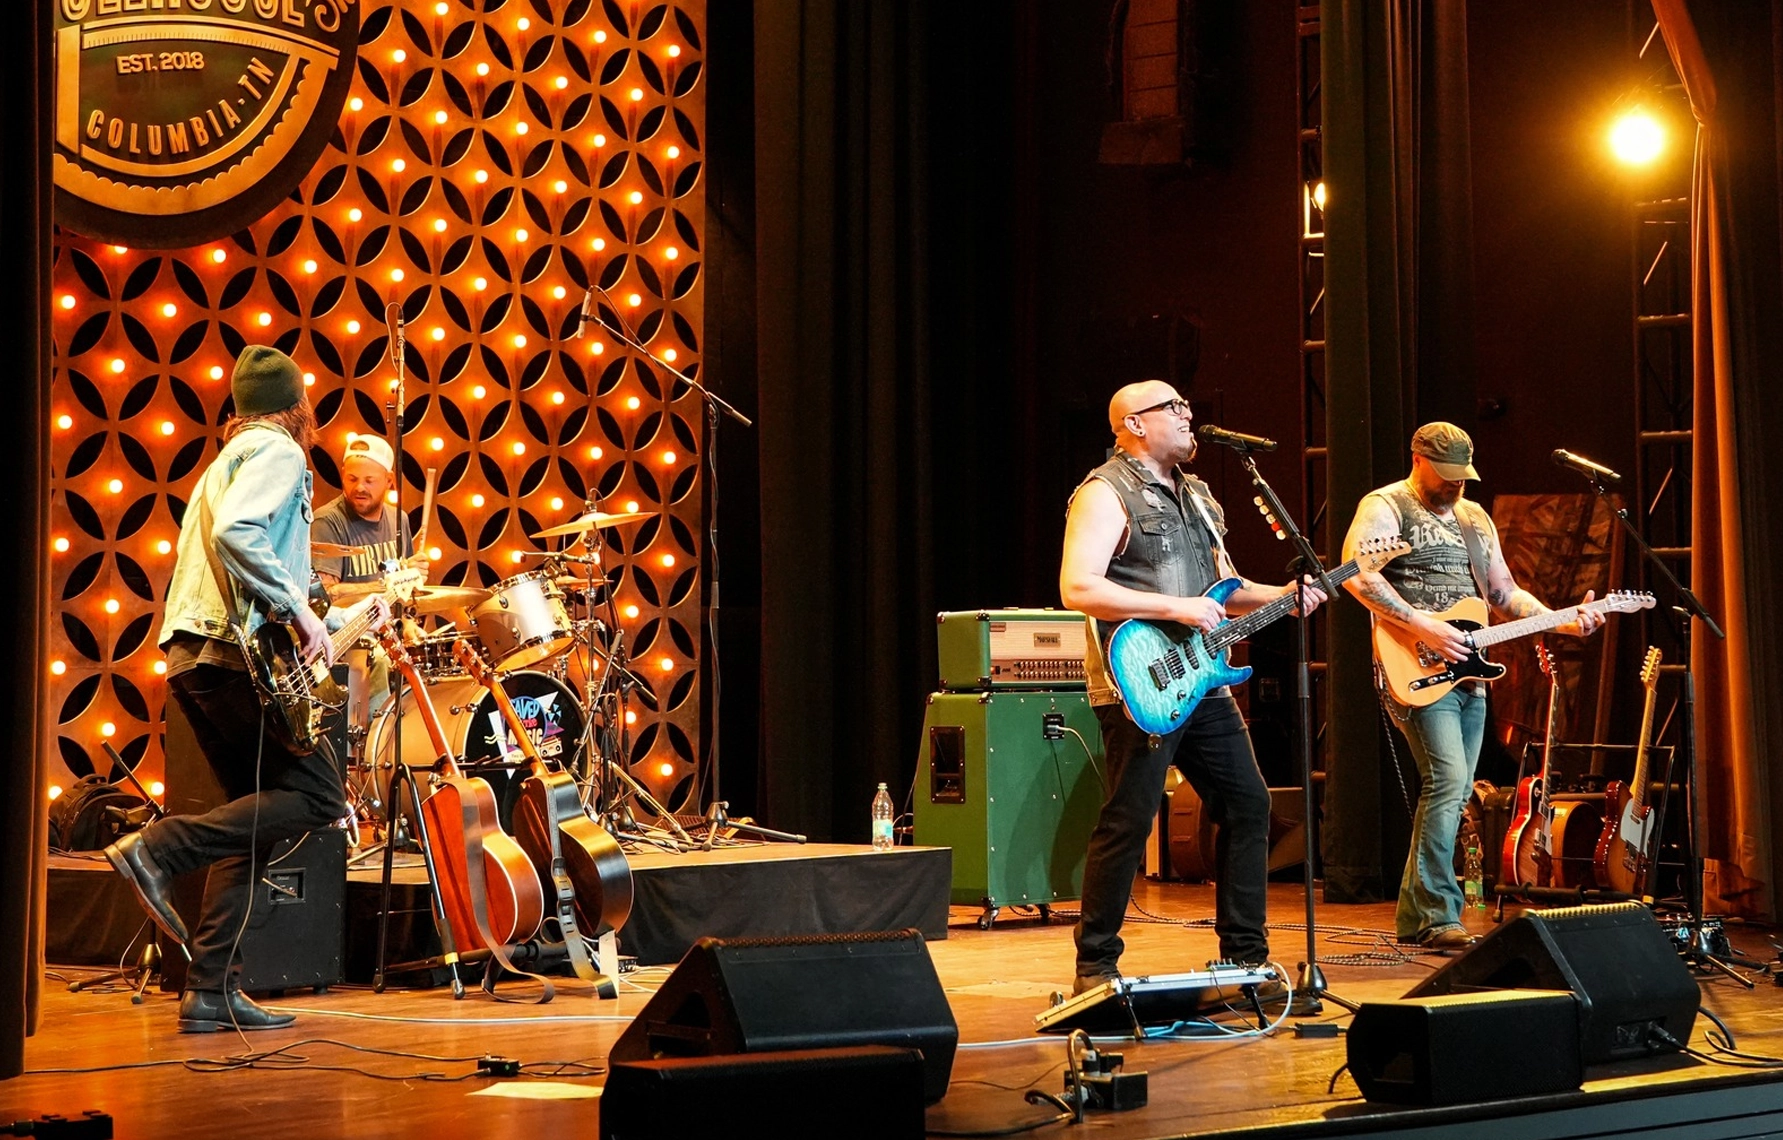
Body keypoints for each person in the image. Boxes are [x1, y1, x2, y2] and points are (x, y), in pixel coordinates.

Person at [103, 345, 386, 1032]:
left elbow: (233, 545)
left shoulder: (220, 463)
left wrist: (327, 616)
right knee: (319, 795)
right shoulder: (281, 451)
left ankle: (210, 989)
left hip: (192, 656)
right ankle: (159, 849)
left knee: (247, 824)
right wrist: (294, 607)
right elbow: (239, 534)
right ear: (298, 407)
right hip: (233, 657)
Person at [1060, 380, 1325, 994]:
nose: (1187, 415)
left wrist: (1285, 598)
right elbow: (1079, 587)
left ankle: (1245, 960)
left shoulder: (1201, 496)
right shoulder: (1104, 493)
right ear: (1132, 423)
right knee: (1128, 819)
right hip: (1138, 683)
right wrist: (1178, 609)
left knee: (1249, 804)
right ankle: (1095, 965)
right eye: (1172, 408)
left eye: (1186, 406)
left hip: (1203, 681)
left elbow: (1225, 588)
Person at [1340, 422, 1602, 950]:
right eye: (1446, 474)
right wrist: (1423, 624)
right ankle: (1439, 914)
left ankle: (1418, 916)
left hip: (1469, 670)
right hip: (1414, 665)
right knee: (1446, 779)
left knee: (1457, 789)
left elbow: (1504, 591)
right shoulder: (1385, 505)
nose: (1456, 485)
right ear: (1417, 459)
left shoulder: (1473, 517)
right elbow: (1357, 576)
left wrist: (1561, 618)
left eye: (1463, 474)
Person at [311, 433, 429, 607]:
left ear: (389, 480)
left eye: (369, 481)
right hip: (348, 630)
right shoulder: (327, 521)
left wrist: (408, 623)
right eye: (352, 479)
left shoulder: (399, 518)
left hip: (388, 630)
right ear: (343, 475)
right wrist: (387, 585)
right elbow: (325, 594)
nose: (359, 487)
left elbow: (406, 593)